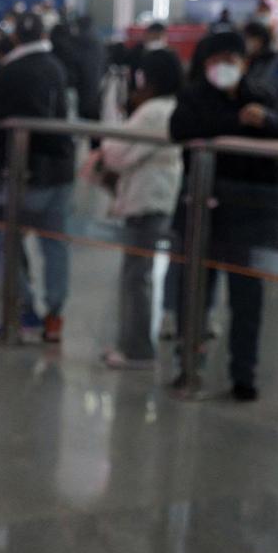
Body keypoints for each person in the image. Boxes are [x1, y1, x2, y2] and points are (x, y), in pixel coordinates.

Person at [169, 30, 278, 400]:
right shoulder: (194, 98)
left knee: (247, 295)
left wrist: (264, 121)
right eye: (216, 62)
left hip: (252, 211)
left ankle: (243, 375)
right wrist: (238, 124)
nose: (224, 68)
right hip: (203, 206)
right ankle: (188, 363)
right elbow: (182, 129)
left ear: (244, 63)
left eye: (231, 61)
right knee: (195, 292)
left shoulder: (262, 98)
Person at [0, 12, 75, 343]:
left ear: (15, 39)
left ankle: (24, 308)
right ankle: (55, 316)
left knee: (0, 241)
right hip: (60, 172)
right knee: (54, 245)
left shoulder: (12, 71)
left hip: (22, 174)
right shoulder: (56, 66)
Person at [96, 49, 184, 369]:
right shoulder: (170, 108)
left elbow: (117, 153)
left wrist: (107, 149)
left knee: (136, 276)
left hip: (146, 198)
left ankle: (137, 349)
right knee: (138, 274)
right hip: (156, 196)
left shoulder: (153, 112)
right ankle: (133, 344)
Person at [244, 21, 278, 96]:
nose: (245, 43)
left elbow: (268, 88)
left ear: (260, 40)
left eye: (249, 38)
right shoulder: (249, 59)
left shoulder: (275, 60)